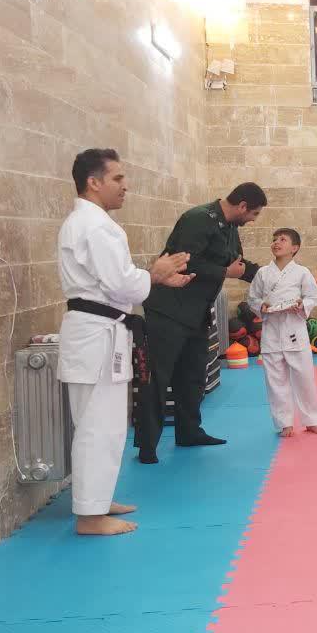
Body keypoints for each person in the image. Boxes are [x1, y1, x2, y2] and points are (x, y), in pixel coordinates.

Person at [57, 149, 193, 535]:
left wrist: (154, 278)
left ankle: (97, 501)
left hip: (102, 332)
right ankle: (89, 516)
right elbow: (121, 285)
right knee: (97, 426)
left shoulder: (93, 223)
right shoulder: (94, 227)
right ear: (93, 182)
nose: (125, 186)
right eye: (117, 178)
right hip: (96, 336)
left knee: (108, 425)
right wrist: (155, 273)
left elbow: (119, 283)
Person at [135, 183, 267, 464]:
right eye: (254, 213)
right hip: (169, 310)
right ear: (242, 206)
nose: (253, 219)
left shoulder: (230, 228)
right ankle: (147, 446)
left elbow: (237, 264)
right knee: (159, 378)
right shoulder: (197, 219)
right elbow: (183, 262)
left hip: (196, 312)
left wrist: (275, 277)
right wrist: (224, 272)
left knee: (194, 375)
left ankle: (189, 432)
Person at [247, 229, 317, 438]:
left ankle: (312, 420)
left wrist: (302, 305)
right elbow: (252, 298)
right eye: (274, 239)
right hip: (271, 331)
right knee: (275, 381)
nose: (276, 243)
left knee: (305, 378)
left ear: (294, 248)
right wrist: (261, 306)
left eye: (282, 240)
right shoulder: (263, 273)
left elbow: (312, 296)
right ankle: (284, 423)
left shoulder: (302, 272)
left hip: (295, 330)